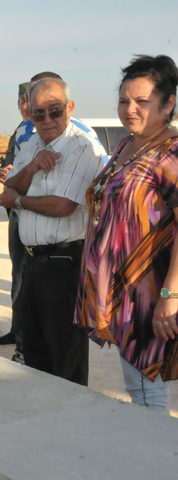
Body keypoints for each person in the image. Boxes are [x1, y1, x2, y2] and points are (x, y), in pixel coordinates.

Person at [76, 55, 178, 412]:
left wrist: (170, 294)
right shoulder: (125, 146)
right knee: (138, 387)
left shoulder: (172, 153)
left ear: (168, 104)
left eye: (141, 102)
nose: (129, 109)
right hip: (121, 291)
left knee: (148, 389)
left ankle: (157, 463)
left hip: (149, 291)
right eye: (123, 100)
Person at [0, 78, 106, 385]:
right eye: (38, 113)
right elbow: (9, 185)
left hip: (64, 264)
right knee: (34, 354)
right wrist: (31, 169)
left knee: (65, 358)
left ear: (69, 108)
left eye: (54, 110)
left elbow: (63, 206)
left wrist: (19, 200)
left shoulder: (83, 149)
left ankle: (70, 428)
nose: (46, 120)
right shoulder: (31, 144)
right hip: (31, 262)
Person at [0, 82, 31, 363]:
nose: (26, 107)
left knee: (33, 280)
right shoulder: (19, 132)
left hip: (38, 215)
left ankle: (27, 338)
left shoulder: (49, 132)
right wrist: (4, 171)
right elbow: (6, 166)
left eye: (29, 101)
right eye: (22, 102)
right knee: (18, 275)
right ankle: (18, 331)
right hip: (16, 214)